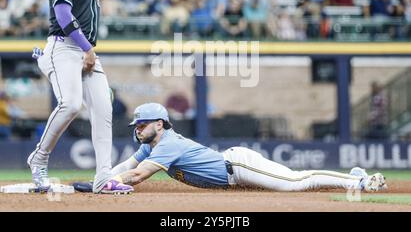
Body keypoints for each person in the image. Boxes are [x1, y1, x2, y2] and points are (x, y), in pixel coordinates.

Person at [74, 103, 387, 194]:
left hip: (237, 166)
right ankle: (354, 177)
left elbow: (138, 176)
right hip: (235, 175)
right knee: (294, 182)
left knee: (296, 182)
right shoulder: (150, 146)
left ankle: (356, 180)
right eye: (136, 126)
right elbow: (125, 167)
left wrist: (105, 186)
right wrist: (102, 178)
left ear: (160, 123)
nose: (137, 129)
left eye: (142, 124)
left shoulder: (166, 143)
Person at [26, 0, 130, 194]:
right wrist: (87, 49)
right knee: (70, 104)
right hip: (64, 48)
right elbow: (62, 15)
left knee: (103, 111)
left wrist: (87, 50)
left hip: (84, 51)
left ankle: (104, 178)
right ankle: (39, 157)